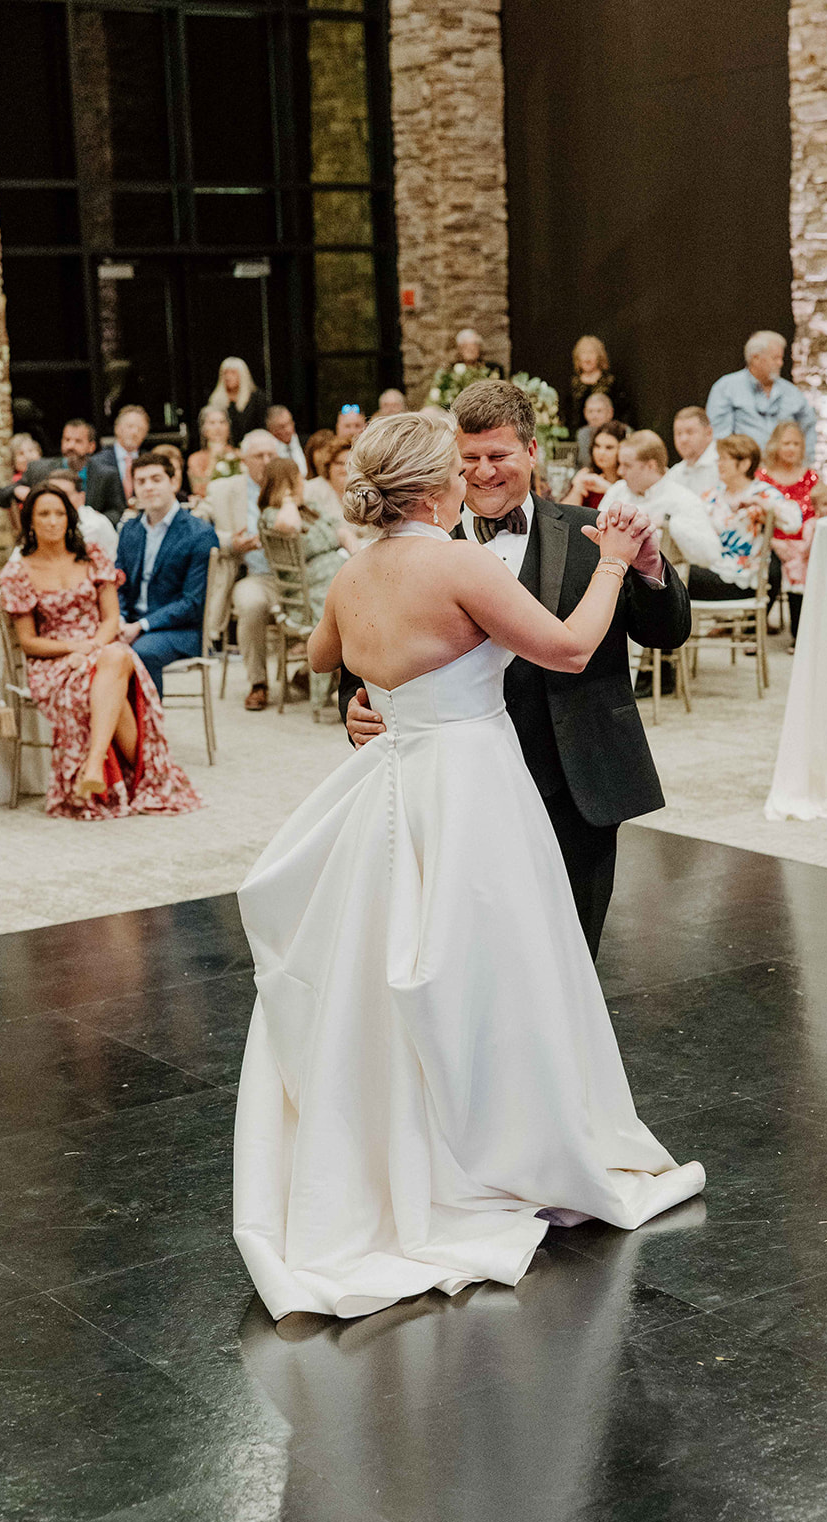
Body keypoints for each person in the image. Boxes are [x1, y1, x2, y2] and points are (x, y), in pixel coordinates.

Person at [233, 408, 705, 1324]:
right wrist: (609, 558)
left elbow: (324, 650)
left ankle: (420, 1142)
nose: (472, 473)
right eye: (460, 462)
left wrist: (384, 690)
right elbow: (566, 648)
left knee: (405, 977)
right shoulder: (456, 560)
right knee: (503, 967)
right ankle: (509, 1144)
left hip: (402, 785)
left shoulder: (356, 569)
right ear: (435, 481)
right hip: (473, 788)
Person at [342, 380, 692, 958]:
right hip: (457, 787)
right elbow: (362, 655)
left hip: (575, 774)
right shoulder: (410, 545)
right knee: (466, 951)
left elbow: (666, 634)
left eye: (497, 456)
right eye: (468, 460)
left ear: (531, 452)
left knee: (573, 952)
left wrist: (650, 567)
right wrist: (356, 709)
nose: (482, 473)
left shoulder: (593, 535)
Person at [0, 484, 201, 819]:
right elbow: (29, 642)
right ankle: (141, 779)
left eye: (59, 513)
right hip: (52, 661)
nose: (52, 521)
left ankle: (92, 765)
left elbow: (110, 620)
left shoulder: (92, 557)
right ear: (29, 521)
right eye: (43, 514)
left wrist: (90, 647)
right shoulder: (18, 572)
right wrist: (73, 648)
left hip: (100, 646)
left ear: (70, 518)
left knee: (116, 656)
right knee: (113, 672)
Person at [115, 453, 218, 697]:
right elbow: (118, 584)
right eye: (141, 481)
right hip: (131, 623)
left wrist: (140, 626)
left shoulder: (198, 533)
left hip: (182, 630)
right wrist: (118, 619)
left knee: (141, 652)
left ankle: (149, 732)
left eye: (156, 479)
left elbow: (192, 603)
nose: (148, 487)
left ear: (173, 483)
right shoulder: (130, 530)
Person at [258, 458, 351, 716]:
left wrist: (358, 555)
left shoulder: (309, 508)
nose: (303, 484)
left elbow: (341, 532)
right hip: (307, 592)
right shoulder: (271, 515)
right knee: (350, 611)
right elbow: (291, 526)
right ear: (285, 484)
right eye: (297, 479)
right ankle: (345, 689)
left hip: (336, 574)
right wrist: (288, 500)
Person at [205, 429, 280, 709]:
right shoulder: (223, 489)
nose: (266, 460)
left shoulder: (292, 485)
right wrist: (231, 543)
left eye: (272, 454)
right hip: (252, 575)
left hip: (294, 576)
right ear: (245, 460)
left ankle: (318, 678)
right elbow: (200, 531)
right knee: (251, 604)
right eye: (259, 455)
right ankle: (258, 683)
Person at [686, 433, 802, 610]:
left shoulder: (762, 493)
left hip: (744, 577)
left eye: (725, 459)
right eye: (719, 459)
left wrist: (763, 505)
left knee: (676, 579)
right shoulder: (713, 495)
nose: (719, 464)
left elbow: (793, 522)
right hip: (712, 568)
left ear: (745, 464)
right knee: (671, 572)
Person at [598, 431, 720, 568]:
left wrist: (670, 524)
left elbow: (711, 556)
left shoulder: (682, 499)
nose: (620, 471)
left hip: (659, 584)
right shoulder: (617, 490)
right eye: (620, 464)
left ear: (651, 466)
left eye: (627, 465)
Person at [756, 422, 823, 644]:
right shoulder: (762, 477)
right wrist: (774, 542)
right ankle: (755, 628)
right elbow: (756, 516)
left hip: (805, 545)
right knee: (772, 572)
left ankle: (800, 635)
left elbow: (820, 512)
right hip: (770, 543)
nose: (791, 448)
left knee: (804, 566)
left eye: (796, 443)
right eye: (786, 443)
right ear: (776, 445)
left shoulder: (811, 477)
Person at [706, 332, 818, 462]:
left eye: (781, 358)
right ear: (755, 358)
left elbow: (808, 429)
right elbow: (720, 438)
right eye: (775, 358)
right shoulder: (726, 388)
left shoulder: (792, 392)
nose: (780, 363)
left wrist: (805, 466)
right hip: (745, 473)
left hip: (785, 473)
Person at [24, 418, 127, 525]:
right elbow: (6, 493)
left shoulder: (107, 474)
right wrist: (20, 491)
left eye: (78, 441)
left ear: (91, 446)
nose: (71, 446)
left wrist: (97, 519)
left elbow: (117, 510)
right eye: (67, 440)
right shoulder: (39, 469)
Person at [42, 468, 119, 560]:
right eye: (52, 494)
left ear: (81, 498)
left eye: (64, 495)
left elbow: (114, 561)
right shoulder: (37, 523)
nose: (57, 500)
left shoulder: (97, 525)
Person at [303, 437, 360, 549]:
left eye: (350, 463)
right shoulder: (311, 489)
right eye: (339, 463)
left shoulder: (359, 491)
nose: (345, 469)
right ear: (328, 465)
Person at [562, 420, 627, 509]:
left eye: (609, 448)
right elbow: (563, 515)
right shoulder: (588, 478)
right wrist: (577, 489)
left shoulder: (630, 481)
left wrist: (608, 488)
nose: (601, 452)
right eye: (597, 446)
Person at [567, 336, 627, 433]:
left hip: (608, 434)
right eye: (583, 353)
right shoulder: (573, 383)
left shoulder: (611, 381)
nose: (587, 358)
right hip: (578, 436)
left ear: (599, 357)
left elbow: (623, 412)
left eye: (591, 353)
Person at [96, 404, 150, 504]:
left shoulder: (150, 461)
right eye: (130, 426)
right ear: (117, 428)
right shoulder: (98, 462)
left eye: (140, 428)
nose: (135, 432)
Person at [208, 357, 268, 447]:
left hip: (252, 446)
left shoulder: (257, 398)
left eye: (233, 373)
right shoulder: (215, 399)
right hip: (224, 447)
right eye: (225, 373)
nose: (228, 377)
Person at [187, 406, 240, 498]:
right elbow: (199, 490)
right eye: (212, 423)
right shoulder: (195, 459)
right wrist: (214, 458)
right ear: (204, 430)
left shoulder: (238, 455)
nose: (218, 427)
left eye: (222, 422)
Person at [669, 406, 720, 497]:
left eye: (690, 432)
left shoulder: (724, 464)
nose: (683, 439)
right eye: (678, 433)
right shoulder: (674, 474)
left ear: (709, 433)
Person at [0, 432, 42, 528]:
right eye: (21, 454)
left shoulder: (47, 473)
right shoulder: (14, 482)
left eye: (31, 450)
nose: (27, 457)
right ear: (13, 460)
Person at [575, 391, 616, 467]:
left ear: (610, 412)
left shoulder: (621, 431)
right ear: (585, 413)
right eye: (590, 411)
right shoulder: (582, 434)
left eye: (599, 411)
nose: (594, 416)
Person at [266, 405, 307, 475]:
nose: (288, 430)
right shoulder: (268, 451)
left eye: (289, 423)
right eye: (282, 427)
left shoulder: (306, 442)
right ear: (271, 430)